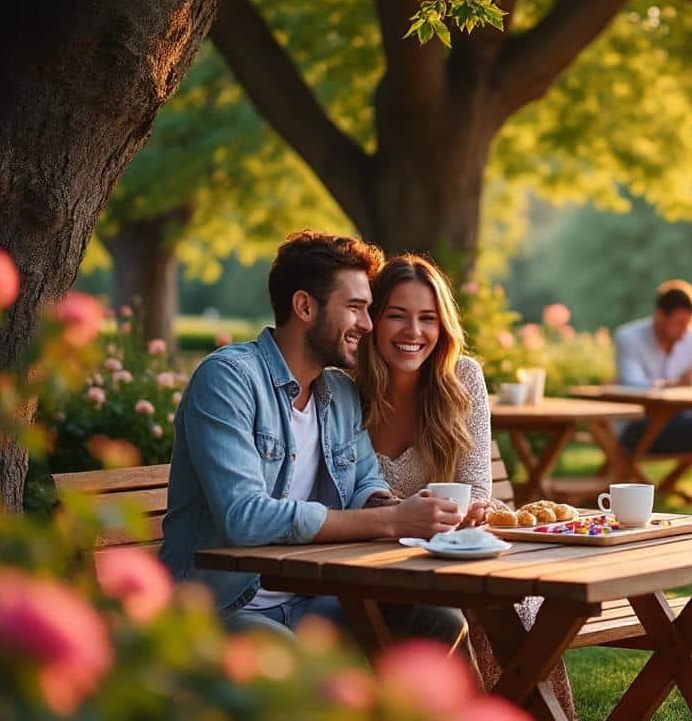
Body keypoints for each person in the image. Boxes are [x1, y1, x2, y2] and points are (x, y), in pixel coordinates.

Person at [160, 231, 469, 652]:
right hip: (223, 605)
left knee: (438, 620)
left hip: (308, 600)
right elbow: (245, 517)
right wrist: (392, 522)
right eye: (356, 308)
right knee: (284, 656)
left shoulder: (339, 394)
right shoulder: (229, 379)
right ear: (305, 306)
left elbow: (364, 485)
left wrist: (412, 511)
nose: (368, 324)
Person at [355, 254, 576, 717]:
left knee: (495, 605)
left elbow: (477, 487)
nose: (412, 332)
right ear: (373, 320)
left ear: (443, 326)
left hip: (458, 556)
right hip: (374, 565)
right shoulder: (345, 391)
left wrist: (470, 511)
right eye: (396, 315)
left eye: (427, 318)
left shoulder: (462, 379)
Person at [614, 279, 692, 475]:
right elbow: (632, 384)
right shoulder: (629, 338)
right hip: (641, 430)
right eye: (680, 323)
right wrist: (677, 384)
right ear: (660, 316)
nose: (685, 331)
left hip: (684, 423)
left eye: (690, 323)